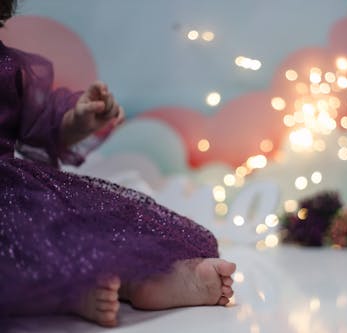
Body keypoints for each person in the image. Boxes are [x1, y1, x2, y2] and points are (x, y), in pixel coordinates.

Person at [0, 0, 236, 327]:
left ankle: (145, 277)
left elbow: (41, 125)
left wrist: (78, 120)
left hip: (11, 189)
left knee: (79, 228)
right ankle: (70, 290)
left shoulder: (8, 66)